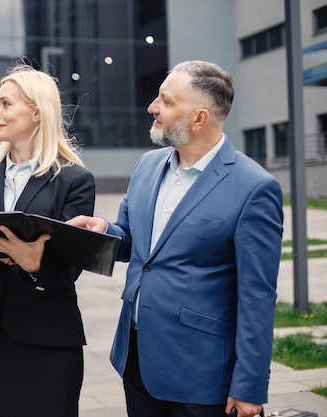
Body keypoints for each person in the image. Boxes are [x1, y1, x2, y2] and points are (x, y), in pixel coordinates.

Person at [68, 60, 283, 417]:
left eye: (166, 101)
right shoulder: (147, 166)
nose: (152, 107)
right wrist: (105, 230)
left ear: (199, 119)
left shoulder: (254, 188)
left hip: (200, 375)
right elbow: (134, 242)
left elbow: (257, 298)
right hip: (136, 360)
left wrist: (249, 387)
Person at [0, 64, 95, 417]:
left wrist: (34, 264)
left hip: (50, 339)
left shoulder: (75, 180)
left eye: (5, 104)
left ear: (35, 111)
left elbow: (69, 270)